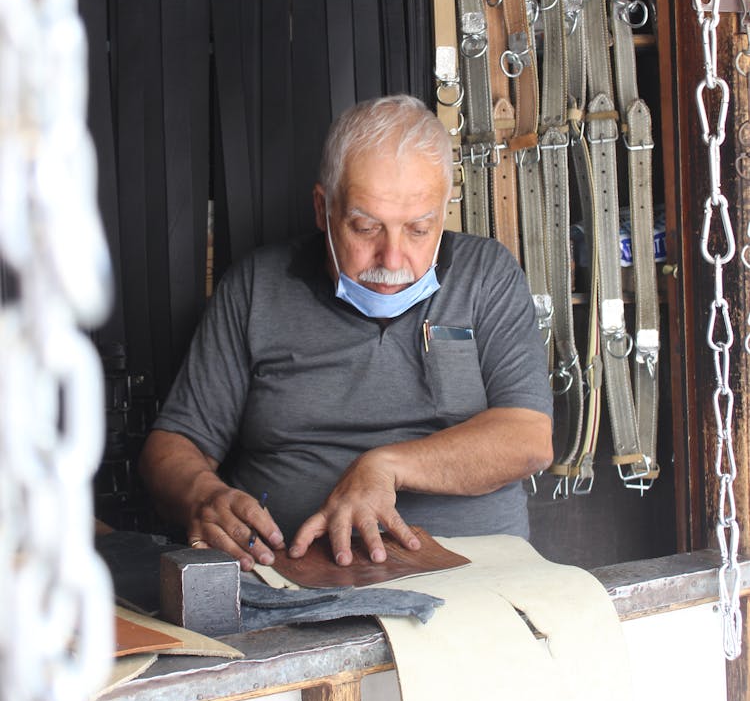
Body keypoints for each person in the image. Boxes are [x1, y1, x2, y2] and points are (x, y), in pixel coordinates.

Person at [140, 95, 553, 573]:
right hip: (289, 579)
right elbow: (171, 446)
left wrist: (385, 468)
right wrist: (201, 494)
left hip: (476, 574)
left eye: (419, 230)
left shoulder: (488, 276)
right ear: (323, 209)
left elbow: (528, 438)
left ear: (443, 214)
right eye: (364, 228)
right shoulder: (257, 288)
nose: (393, 260)